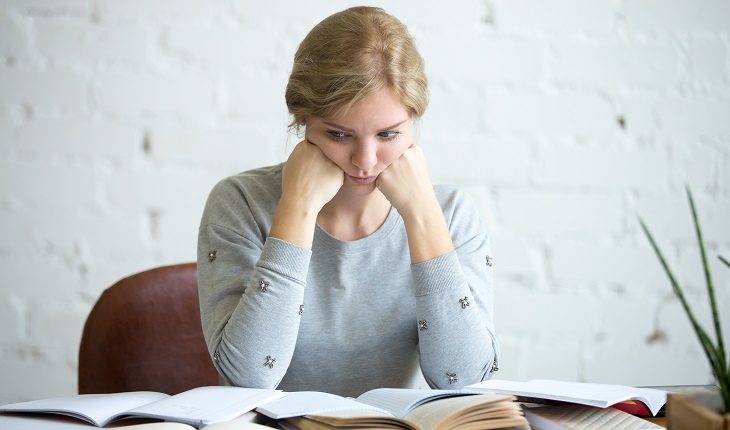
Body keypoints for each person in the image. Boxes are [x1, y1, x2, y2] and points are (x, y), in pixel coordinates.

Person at [197, 6, 498, 397]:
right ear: (304, 122)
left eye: (388, 135)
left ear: (413, 123)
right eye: (340, 135)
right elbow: (248, 379)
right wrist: (298, 207)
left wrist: (423, 216)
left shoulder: (452, 213)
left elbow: (467, 380)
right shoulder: (240, 203)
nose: (365, 161)